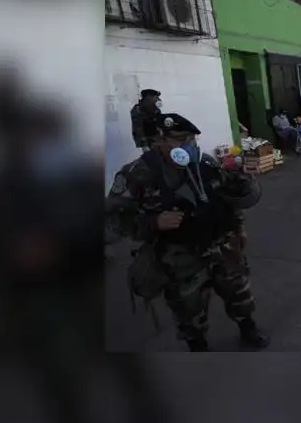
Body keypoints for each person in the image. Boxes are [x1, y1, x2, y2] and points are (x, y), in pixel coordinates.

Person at [105, 113, 271, 352]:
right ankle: (198, 345)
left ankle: (248, 327)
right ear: (158, 140)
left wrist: (238, 218)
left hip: (222, 246)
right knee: (188, 307)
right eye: (180, 139)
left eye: (192, 139)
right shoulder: (137, 174)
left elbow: (230, 201)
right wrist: (152, 222)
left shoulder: (206, 164)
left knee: (238, 291)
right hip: (180, 256)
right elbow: (113, 220)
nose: (188, 145)